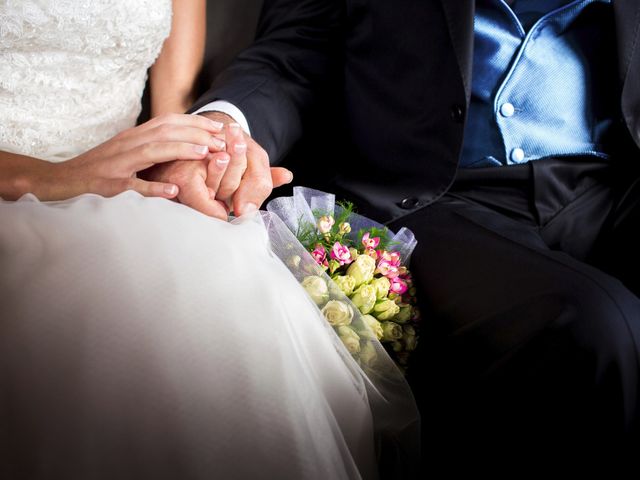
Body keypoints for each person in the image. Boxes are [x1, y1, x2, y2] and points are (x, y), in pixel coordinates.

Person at [177, 0, 640, 470]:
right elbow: (294, 52)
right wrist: (220, 133)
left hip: (614, 180)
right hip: (435, 192)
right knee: (594, 324)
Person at [0, 1, 418, 478]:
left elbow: (174, 98)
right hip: (15, 187)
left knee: (213, 285)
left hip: (129, 188)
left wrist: (189, 160)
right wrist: (52, 177)